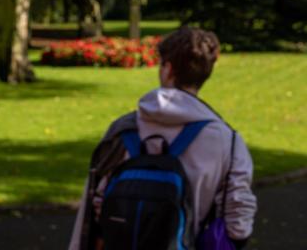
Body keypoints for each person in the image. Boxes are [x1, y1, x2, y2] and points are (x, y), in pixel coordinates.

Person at [68, 27, 257, 250]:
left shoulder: (123, 130)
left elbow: (96, 207)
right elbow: (238, 224)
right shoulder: (228, 142)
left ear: (168, 69)